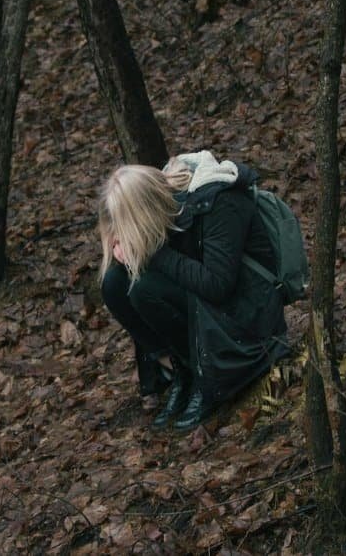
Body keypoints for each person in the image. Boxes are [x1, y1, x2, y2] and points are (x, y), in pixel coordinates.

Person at [98, 151, 289, 430]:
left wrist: (152, 253)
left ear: (145, 212)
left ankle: (205, 377)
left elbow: (218, 286)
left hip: (250, 311)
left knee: (145, 288)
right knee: (114, 283)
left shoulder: (219, 201)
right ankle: (181, 370)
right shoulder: (170, 206)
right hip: (210, 308)